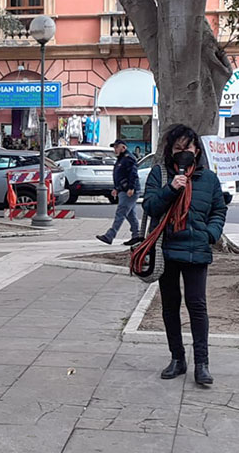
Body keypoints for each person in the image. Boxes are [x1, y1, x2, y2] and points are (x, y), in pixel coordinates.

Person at [143, 124, 226, 386]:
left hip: (197, 250)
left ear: (197, 150)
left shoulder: (209, 179)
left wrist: (210, 234)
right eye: (178, 149)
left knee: (197, 306)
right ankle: (177, 359)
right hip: (167, 249)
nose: (183, 153)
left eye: (187, 148)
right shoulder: (160, 174)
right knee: (170, 307)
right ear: (170, 151)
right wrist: (172, 188)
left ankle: (202, 363)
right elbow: (149, 205)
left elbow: (218, 210)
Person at [97, 139, 142, 246]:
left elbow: (133, 174)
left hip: (128, 191)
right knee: (130, 215)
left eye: (117, 147)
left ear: (123, 147)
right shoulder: (121, 159)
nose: (115, 149)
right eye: (114, 147)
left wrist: (131, 188)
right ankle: (137, 236)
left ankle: (110, 235)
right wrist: (116, 188)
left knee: (120, 213)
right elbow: (120, 175)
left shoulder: (128, 158)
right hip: (123, 190)